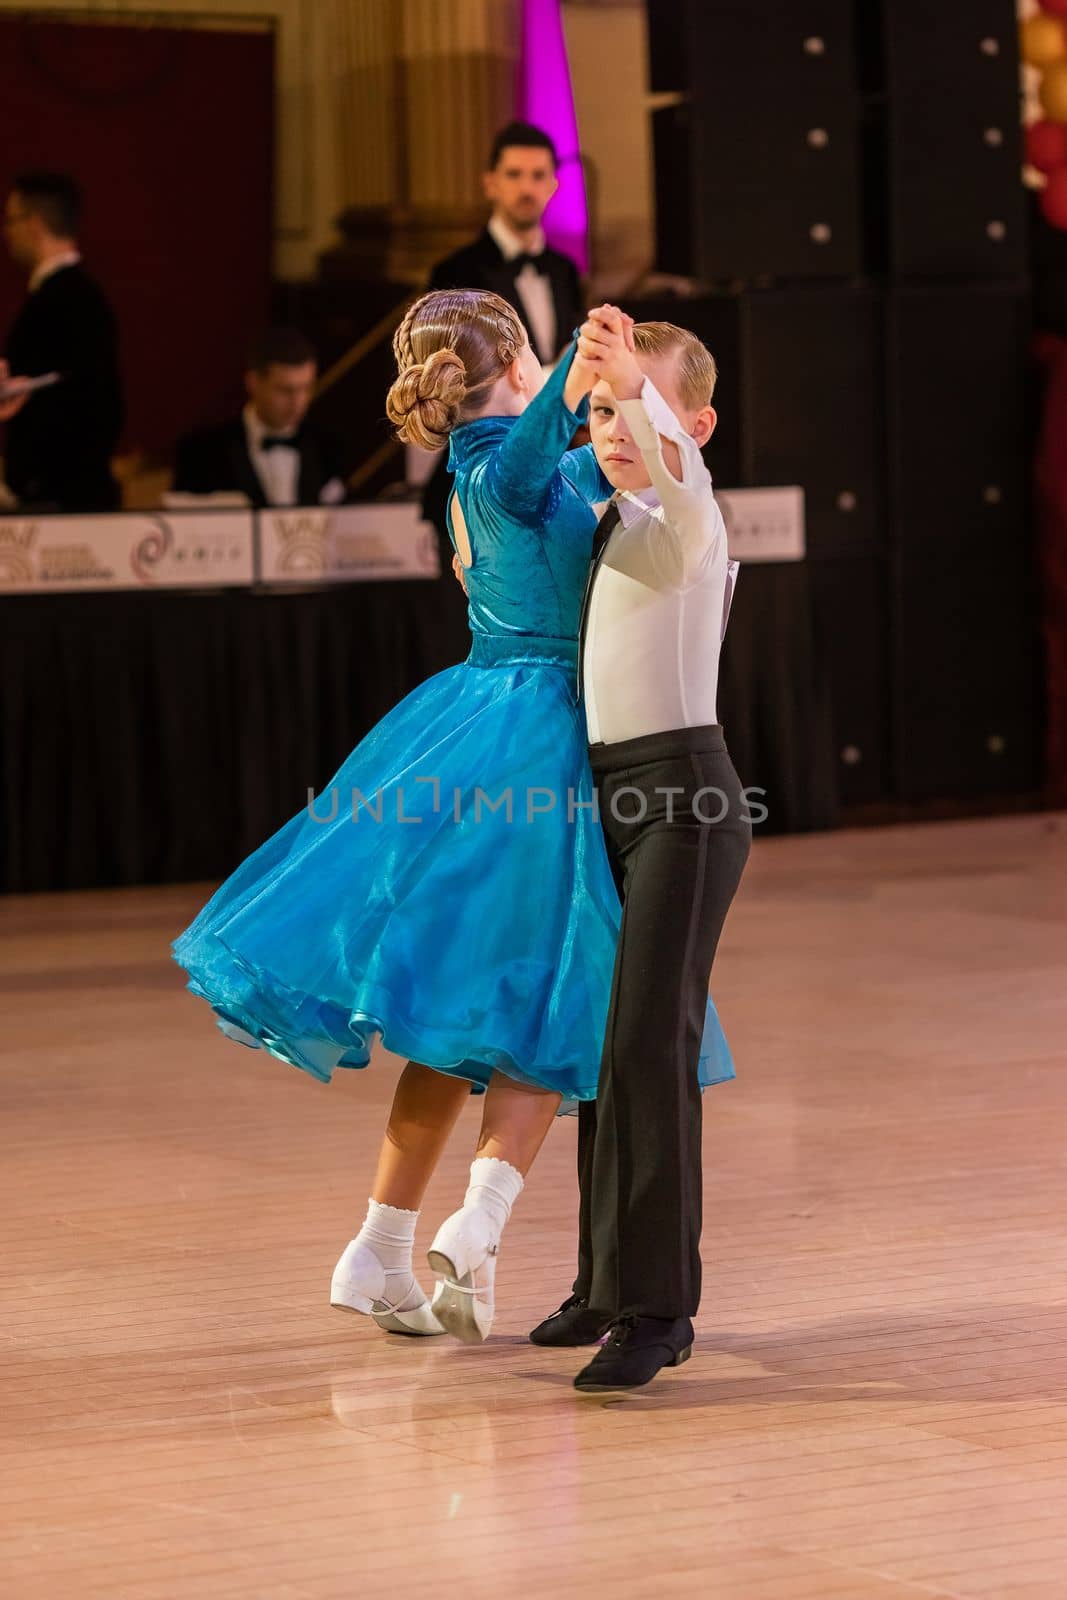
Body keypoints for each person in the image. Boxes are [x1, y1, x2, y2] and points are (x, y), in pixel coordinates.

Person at [171, 287, 735, 1348]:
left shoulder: (524, 467)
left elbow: (590, 469)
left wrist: (617, 399)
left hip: (476, 726)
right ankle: (474, 1227)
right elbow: (533, 466)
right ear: (520, 367)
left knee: (456, 1017)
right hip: (539, 732)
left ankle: (380, 1245)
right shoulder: (492, 464)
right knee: (545, 987)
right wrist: (574, 386)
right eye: (546, 374)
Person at [528, 310, 751, 1391]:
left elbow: (678, 476)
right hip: (609, 797)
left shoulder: (688, 518)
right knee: (603, 1051)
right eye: (604, 407)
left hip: (684, 802)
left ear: (694, 422)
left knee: (649, 1049)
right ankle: (604, 1281)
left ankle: (659, 1312)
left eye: (640, 402)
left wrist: (639, 396)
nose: (617, 424)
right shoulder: (616, 520)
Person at [421, 122, 584, 549]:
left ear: (552, 185)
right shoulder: (455, 272)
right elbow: (454, 381)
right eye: (514, 175)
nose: (526, 187)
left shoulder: (565, 270)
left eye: (537, 175)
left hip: (554, 466)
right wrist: (560, 373)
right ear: (490, 183)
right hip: (481, 466)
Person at [2, 172, 122, 511]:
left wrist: (32, 481)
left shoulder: (65, 299)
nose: (5, 232)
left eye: (10, 220)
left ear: (35, 224)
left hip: (61, 501)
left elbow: (93, 403)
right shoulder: (73, 296)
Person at [172, 327, 346, 508]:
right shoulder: (201, 451)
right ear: (253, 383)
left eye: (306, 388)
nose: (298, 403)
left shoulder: (329, 446)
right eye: (286, 390)